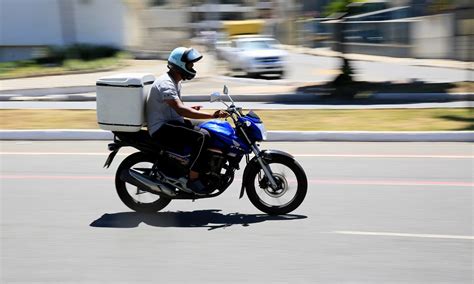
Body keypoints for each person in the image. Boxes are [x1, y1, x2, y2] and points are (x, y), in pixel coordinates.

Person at [146, 47, 227, 195]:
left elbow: (176, 107)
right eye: (190, 65)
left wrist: (192, 109)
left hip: (171, 122)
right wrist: (211, 115)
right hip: (161, 128)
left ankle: (200, 166)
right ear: (180, 65)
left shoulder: (175, 81)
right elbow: (181, 110)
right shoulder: (166, 83)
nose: (192, 67)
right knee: (202, 137)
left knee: (210, 128)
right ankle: (193, 179)